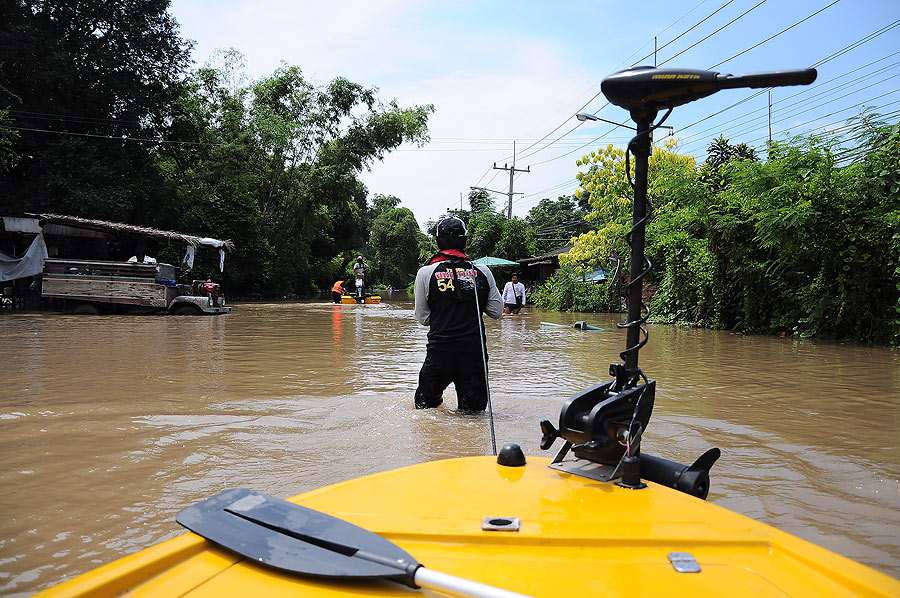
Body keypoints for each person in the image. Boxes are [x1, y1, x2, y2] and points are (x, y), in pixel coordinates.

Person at [413, 216, 503, 412]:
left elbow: (423, 318)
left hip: (439, 354)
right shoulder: (482, 271)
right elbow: (497, 312)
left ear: (437, 243)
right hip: (474, 355)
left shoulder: (426, 273)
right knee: (472, 415)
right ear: (466, 242)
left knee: (425, 408)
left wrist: (445, 312)